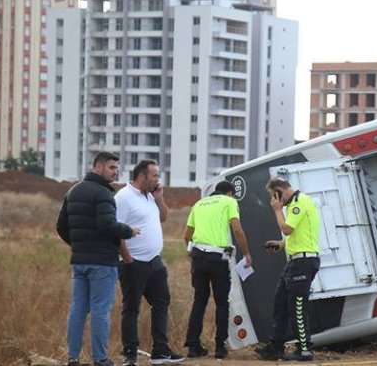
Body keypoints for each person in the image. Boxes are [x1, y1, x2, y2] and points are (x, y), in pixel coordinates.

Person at [56, 152, 140, 366]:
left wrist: (78, 245)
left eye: (116, 168)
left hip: (79, 261)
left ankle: (72, 358)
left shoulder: (73, 191)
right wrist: (129, 231)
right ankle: (100, 359)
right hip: (102, 262)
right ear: (98, 167)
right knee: (101, 311)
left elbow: (61, 227)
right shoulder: (103, 193)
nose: (115, 172)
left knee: (77, 309)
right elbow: (107, 225)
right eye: (112, 167)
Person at [115, 160, 184, 366]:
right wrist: (127, 258)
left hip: (155, 261)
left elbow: (163, 218)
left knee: (161, 303)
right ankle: (129, 355)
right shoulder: (123, 198)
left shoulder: (150, 196)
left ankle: (160, 352)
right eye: (154, 175)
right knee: (131, 308)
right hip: (133, 263)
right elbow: (115, 230)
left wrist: (159, 199)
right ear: (142, 176)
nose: (157, 179)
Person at [183, 180, 252, 359]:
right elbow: (237, 229)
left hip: (198, 256)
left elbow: (187, 235)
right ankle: (220, 347)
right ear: (229, 193)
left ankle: (193, 346)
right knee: (222, 302)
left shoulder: (199, 204)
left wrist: (192, 254)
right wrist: (246, 254)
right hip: (217, 258)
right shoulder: (229, 202)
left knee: (199, 301)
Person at [255, 177, 321, 362]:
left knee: (297, 306)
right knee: (280, 304)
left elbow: (287, 229)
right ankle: (275, 347)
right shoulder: (294, 205)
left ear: (280, 191)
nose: (275, 201)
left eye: (274, 197)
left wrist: (277, 210)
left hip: (304, 262)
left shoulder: (299, 202)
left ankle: (305, 350)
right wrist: (281, 245)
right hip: (295, 261)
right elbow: (295, 234)